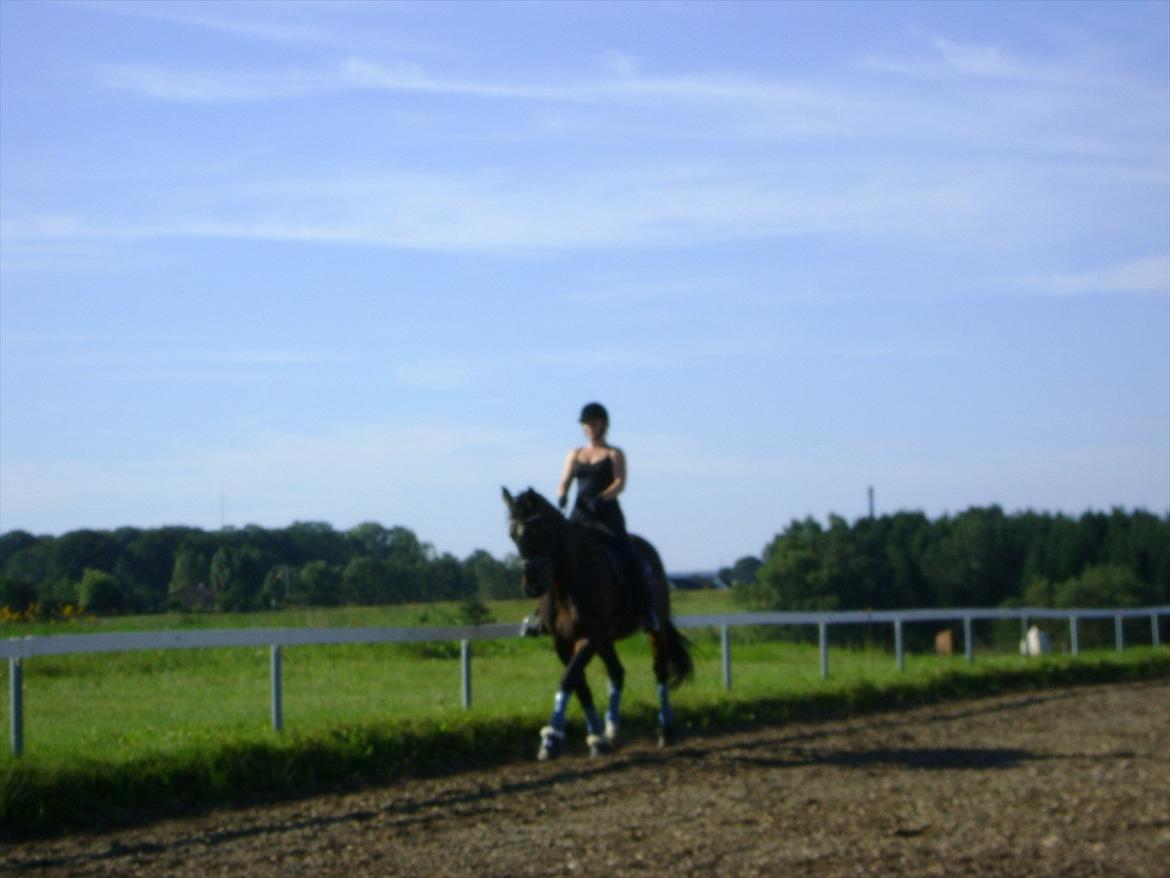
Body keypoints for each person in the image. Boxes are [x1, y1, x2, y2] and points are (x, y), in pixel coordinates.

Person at [521, 402, 659, 635]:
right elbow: (564, 479)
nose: (589, 427)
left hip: (607, 517)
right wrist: (562, 493)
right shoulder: (575, 454)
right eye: (586, 423)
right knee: (554, 559)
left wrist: (602, 498)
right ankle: (543, 615)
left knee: (628, 557)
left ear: (603, 424)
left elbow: (619, 483)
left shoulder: (614, 454)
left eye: (593, 422)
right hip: (580, 515)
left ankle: (647, 610)